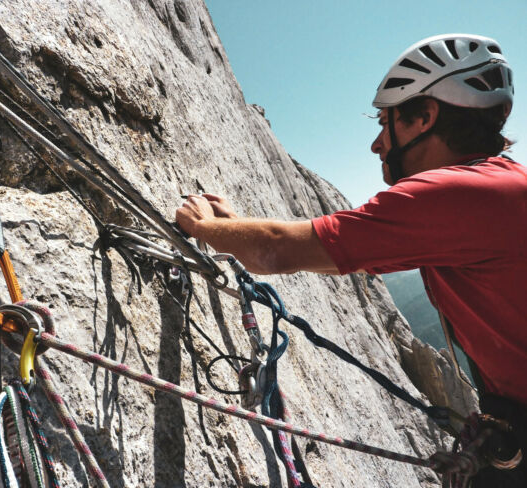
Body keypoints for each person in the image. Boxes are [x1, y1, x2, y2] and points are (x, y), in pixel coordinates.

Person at [176, 34, 526, 485]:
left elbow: (277, 249)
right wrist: (237, 225)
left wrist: (205, 226)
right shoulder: (497, 190)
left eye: (387, 123)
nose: (378, 145)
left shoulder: (459, 196)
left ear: (425, 116)